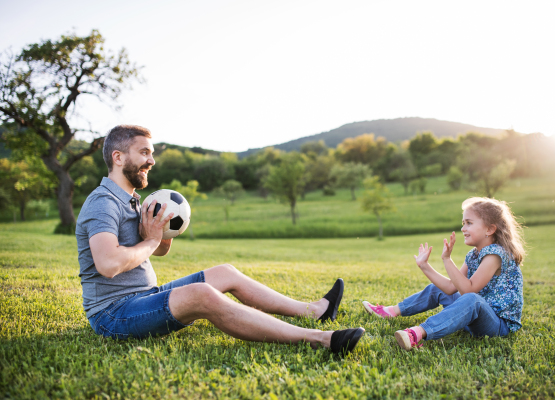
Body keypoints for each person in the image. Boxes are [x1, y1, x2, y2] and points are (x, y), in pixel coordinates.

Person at [76, 125, 364, 354]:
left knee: (224, 272)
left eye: (151, 154)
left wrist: (161, 236)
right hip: (113, 314)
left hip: (144, 296)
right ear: (118, 157)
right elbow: (109, 264)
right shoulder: (103, 203)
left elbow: (155, 252)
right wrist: (150, 242)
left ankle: (313, 311)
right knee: (201, 295)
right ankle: (318, 339)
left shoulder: (134, 200)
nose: (151, 161)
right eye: (144, 153)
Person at [362, 197, 524, 350]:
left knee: (472, 299)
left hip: (497, 325)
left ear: (489, 229)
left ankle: (417, 334)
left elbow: (469, 290)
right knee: (437, 289)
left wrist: (447, 259)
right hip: (473, 318)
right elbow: (450, 287)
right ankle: (390, 312)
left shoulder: (495, 255)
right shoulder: (473, 255)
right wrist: (424, 266)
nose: (463, 228)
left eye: (469, 223)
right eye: (463, 223)